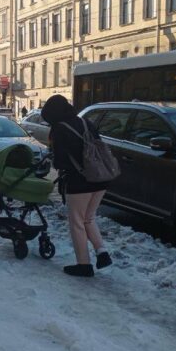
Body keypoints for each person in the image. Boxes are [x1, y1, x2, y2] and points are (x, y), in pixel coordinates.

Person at [42, 94, 112, 277]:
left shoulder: (59, 129)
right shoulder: (85, 122)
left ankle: (84, 264)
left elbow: (60, 161)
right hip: (100, 177)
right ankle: (101, 252)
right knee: (88, 218)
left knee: (77, 222)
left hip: (79, 181)